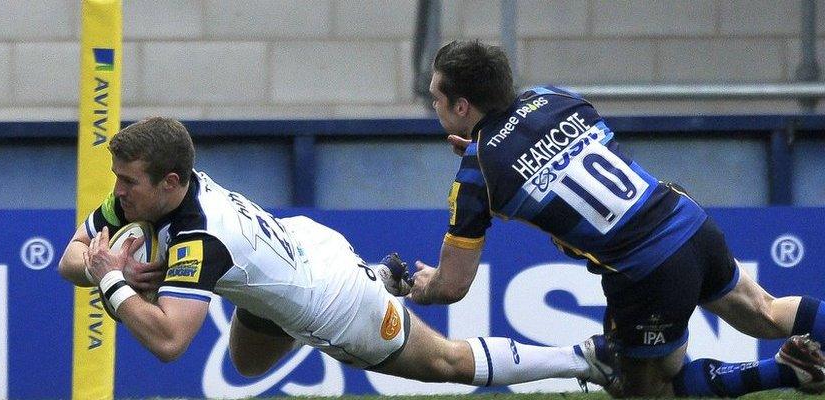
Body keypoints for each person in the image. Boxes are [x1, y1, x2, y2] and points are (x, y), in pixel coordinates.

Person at [57, 117, 618, 391]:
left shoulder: (199, 239)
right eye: (118, 179)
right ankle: (376, 275)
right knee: (246, 364)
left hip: (335, 302)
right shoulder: (140, 199)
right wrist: (114, 271)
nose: (118, 190)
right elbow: (69, 259)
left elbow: (170, 342)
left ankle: (588, 358)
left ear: (171, 181)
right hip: (302, 246)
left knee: (448, 363)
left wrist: (114, 282)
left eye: (128, 180)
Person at [405, 39, 825, 398]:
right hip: (689, 221)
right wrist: (491, 156)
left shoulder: (479, 174)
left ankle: (783, 372)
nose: (434, 106)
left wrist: (424, 289)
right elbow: (534, 147)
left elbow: (454, 285)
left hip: (647, 270)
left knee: (649, 387)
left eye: (437, 99)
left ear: (461, 106)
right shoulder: (555, 96)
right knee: (767, 312)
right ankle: (793, 368)